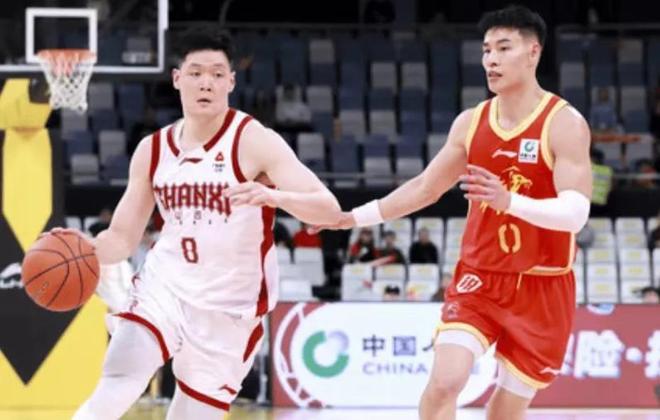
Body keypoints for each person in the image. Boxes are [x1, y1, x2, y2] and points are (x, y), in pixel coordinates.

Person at [314, 6, 592, 420]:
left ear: (533, 52)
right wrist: (353, 217)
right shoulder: (470, 123)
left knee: (505, 412)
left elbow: (575, 214)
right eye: (486, 50)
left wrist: (509, 202)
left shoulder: (564, 123)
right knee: (445, 382)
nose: (491, 59)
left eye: (503, 48)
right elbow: (425, 188)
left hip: (543, 285)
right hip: (481, 277)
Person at [51, 27, 341, 420]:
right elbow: (121, 237)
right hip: (165, 287)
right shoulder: (152, 149)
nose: (207, 83)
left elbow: (329, 209)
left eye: (217, 74)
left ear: (231, 82)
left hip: (230, 308)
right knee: (120, 376)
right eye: (196, 72)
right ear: (177, 79)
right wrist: (85, 248)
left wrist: (274, 197)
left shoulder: (254, 140)